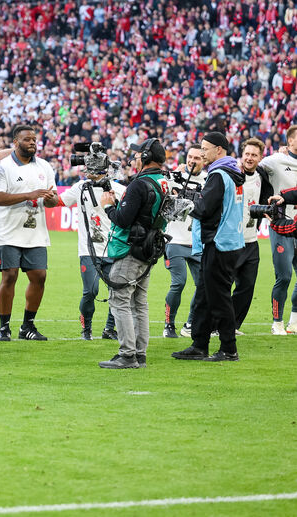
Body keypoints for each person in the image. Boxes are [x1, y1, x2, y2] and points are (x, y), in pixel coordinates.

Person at [172, 132, 246, 363]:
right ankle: (199, 344)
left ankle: (229, 349)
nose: (202, 153)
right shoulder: (232, 173)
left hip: (219, 243)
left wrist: (184, 201)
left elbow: (204, 209)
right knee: (204, 296)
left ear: (219, 150)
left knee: (218, 297)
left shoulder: (218, 174)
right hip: (228, 241)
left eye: (205, 149)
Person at [98, 138, 169, 369]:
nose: (134, 158)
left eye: (137, 155)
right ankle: (140, 353)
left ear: (146, 157)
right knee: (139, 303)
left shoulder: (139, 184)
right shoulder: (164, 182)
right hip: (149, 248)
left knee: (120, 299)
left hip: (130, 248)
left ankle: (127, 354)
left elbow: (122, 219)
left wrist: (108, 206)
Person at [0, 125, 59, 341]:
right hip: (7, 232)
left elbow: (54, 199)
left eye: (34, 139)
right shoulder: (3, 167)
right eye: (27, 139)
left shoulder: (45, 166)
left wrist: (51, 199)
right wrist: (29, 194)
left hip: (35, 233)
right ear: (15, 142)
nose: (32, 143)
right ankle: (4, 327)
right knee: (9, 276)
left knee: (39, 277)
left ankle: (27, 326)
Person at [59, 171, 125, 340]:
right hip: (88, 250)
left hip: (112, 249)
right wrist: (42, 196)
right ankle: (86, 328)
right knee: (90, 291)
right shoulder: (80, 187)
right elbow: (59, 201)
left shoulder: (119, 189)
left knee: (117, 291)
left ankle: (109, 329)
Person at [162, 144, 205, 338]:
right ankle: (168, 324)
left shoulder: (208, 180)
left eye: (197, 158)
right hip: (175, 240)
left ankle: (190, 323)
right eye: (190, 157)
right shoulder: (173, 177)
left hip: (197, 242)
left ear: (204, 160)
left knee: (203, 285)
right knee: (179, 283)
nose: (192, 161)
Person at [258, 125, 297, 334]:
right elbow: (253, 169)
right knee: (284, 276)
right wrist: (265, 202)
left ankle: (294, 321)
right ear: (289, 141)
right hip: (281, 224)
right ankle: (277, 322)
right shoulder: (276, 160)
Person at [233, 138, 271, 331]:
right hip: (231, 241)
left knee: (247, 287)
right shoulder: (231, 174)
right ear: (241, 155)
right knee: (221, 286)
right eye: (247, 154)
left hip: (251, 240)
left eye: (254, 155)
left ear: (260, 158)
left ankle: (232, 325)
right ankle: (213, 324)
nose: (249, 158)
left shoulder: (262, 176)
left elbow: (268, 195)